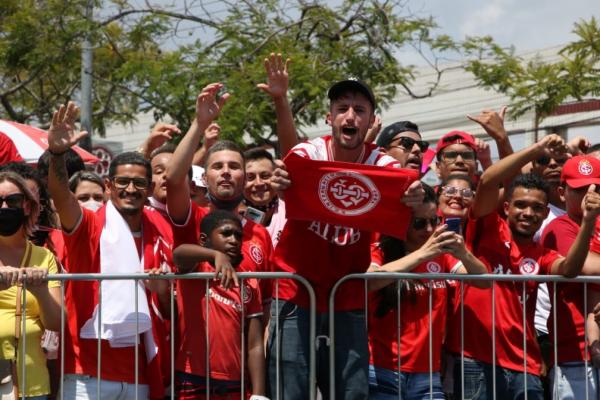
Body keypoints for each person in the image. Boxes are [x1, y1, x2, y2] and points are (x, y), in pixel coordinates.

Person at [264, 71, 424, 399]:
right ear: (330, 117)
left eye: (359, 109)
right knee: (290, 390)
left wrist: (414, 195)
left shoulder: (382, 164)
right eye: (342, 108)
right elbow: (290, 164)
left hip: (347, 296)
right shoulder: (309, 153)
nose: (350, 115)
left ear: (371, 123)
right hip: (296, 291)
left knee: (351, 392)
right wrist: (281, 103)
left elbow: (407, 183)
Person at [447, 134, 600, 399]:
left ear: (545, 212)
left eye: (537, 208)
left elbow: (570, 270)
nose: (528, 213)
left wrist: (587, 223)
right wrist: (537, 149)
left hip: (524, 365)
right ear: (506, 208)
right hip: (475, 360)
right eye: (520, 205)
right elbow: (487, 180)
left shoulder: (541, 254)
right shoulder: (485, 229)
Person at [46, 102, 172, 399]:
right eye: (123, 182)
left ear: (150, 189)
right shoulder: (89, 224)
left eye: (139, 183)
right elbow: (61, 195)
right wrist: (57, 155)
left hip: (140, 372)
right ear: (109, 186)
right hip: (86, 373)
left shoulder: (160, 230)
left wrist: (162, 290)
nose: (131, 188)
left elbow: (167, 309)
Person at [367, 185, 488, 399]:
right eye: (420, 223)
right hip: (383, 370)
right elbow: (370, 281)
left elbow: (483, 281)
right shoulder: (380, 251)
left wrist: (463, 253)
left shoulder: (441, 256)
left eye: (435, 221)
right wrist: (423, 254)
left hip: (427, 373)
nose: (430, 229)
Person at [165, 85, 274, 316]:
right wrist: (199, 124)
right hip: (196, 349)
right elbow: (173, 179)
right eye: (217, 166)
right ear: (204, 178)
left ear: (244, 178)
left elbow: (265, 305)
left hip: (245, 349)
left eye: (234, 167)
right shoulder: (192, 217)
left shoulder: (260, 235)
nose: (225, 172)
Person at [172, 210, 267, 400]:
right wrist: (215, 255)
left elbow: (255, 345)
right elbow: (178, 254)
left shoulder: (249, 281)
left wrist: (259, 394)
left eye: (238, 236)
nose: (234, 240)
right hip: (193, 379)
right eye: (226, 233)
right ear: (204, 239)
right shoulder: (196, 269)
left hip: (234, 383)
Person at [540, 154, 600, 399]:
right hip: (575, 354)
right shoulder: (559, 227)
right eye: (581, 189)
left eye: (596, 186)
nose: (590, 194)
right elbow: (587, 267)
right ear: (563, 192)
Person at [0, 171, 61, 399]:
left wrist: (41, 291)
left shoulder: (44, 256)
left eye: (12, 200)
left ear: (27, 206)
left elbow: (56, 322)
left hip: (32, 383)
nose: (5, 208)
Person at [241, 148, 286, 247]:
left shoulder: (290, 209)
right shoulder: (233, 217)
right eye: (250, 177)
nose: (259, 183)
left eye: (265, 176)